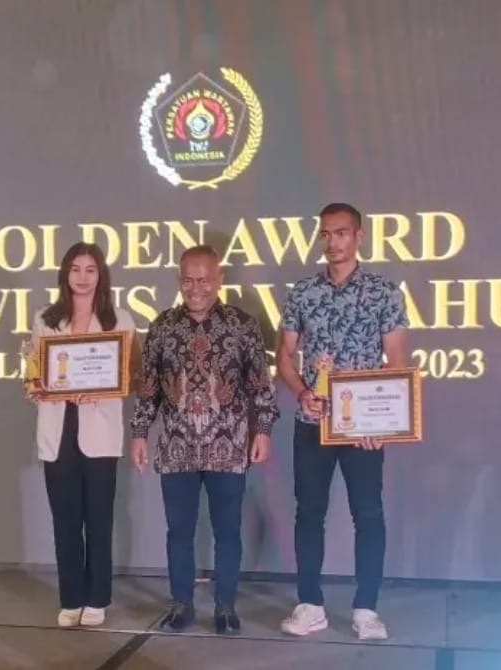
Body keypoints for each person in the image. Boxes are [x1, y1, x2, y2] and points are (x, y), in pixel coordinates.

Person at [275, 202, 409, 641]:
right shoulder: (303, 292)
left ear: (359, 236)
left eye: (341, 233)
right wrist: (301, 392)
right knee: (308, 513)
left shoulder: (384, 292)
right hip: (312, 420)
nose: (332, 242)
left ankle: (366, 609)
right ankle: (309, 605)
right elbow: (284, 356)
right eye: (326, 234)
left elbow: (397, 362)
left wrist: (381, 422)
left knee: (367, 514)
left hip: (361, 426)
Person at [130, 245, 279, 635]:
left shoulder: (242, 325)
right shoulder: (162, 326)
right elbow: (148, 388)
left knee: (227, 532)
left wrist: (263, 430)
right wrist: (140, 433)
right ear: (179, 281)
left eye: (204, 280)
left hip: (228, 446)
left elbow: (260, 385)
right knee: (178, 532)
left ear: (219, 280)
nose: (196, 288)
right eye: (188, 280)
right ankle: (181, 604)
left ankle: (225, 607)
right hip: (176, 447)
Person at [24, 242, 139, 629]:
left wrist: (102, 388)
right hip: (58, 430)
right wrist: (39, 386)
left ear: (101, 275)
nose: (83, 277)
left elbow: (131, 375)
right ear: (65, 274)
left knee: (99, 519)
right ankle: (71, 597)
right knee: (66, 520)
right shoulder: (45, 319)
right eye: (76, 269)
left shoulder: (119, 320)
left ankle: (97, 598)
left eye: (91, 269)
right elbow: (35, 373)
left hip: (100, 430)